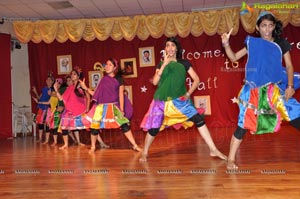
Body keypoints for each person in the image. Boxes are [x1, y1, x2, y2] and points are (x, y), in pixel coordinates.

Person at [221, 11, 300, 170]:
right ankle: (230, 159)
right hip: (253, 91)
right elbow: (234, 58)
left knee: (295, 115)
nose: (267, 30)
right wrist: (226, 44)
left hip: (275, 89)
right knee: (243, 125)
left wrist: (290, 86)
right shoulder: (252, 43)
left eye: (270, 26)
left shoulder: (281, 43)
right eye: (263, 26)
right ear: (258, 27)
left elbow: (290, 66)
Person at [139, 37, 227, 162]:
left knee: (198, 119)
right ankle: (145, 152)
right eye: (167, 45)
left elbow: (196, 79)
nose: (170, 48)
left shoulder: (184, 63)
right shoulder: (161, 64)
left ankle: (213, 149)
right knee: (154, 128)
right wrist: (164, 64)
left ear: (176, 48)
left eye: (172, 45)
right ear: (165, 49)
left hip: (179, 101)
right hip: (161, 101)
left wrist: (188, 93)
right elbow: (155, 82)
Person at [80, 58, 141, 153]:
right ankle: (93, 147)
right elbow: (95, 94)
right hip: (101, 108)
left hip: (113, 107)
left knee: (124, 125)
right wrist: (86, 88)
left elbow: (121, 94)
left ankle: (135, 145)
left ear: (115, 67)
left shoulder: (119, 79)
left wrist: (121, 109)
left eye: (110, 65)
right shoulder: (103, 80)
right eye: (106, 64)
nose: (107, 66)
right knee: (94, 126)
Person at [53, 67, 90, 150]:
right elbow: (61, 98)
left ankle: (100, 143)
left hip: (81, 111)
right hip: (70, 111)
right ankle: (66, 144)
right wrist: (56, 89)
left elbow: (88, 97)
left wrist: (87, 109)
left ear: (78, 76)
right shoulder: (70, 88)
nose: (72, 76)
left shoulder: (81, 85)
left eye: (74, 74)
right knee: (64, 125)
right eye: (71, 74)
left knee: (91, 126)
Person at [31, 73, 54, 142]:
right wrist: (35, 92)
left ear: (52, 81)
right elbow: (39, 98)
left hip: (47, 108)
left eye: (49, 80)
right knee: (40, 123)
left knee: (46, 123)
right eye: (47, 80)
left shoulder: (52, 89)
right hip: (41, 107)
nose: (48, 81)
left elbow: (51, 99)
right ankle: (40, 138)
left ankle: (47, 140)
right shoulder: (44, 88)